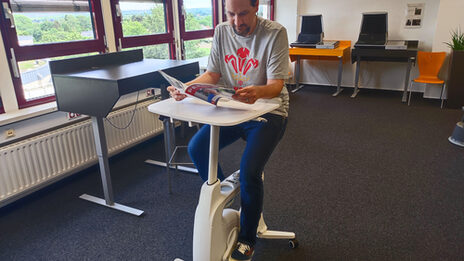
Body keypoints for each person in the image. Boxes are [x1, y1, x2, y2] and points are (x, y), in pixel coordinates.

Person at [168, 0, 289, 259]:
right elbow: (212, 75)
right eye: (231, 14)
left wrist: (257, 92)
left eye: (243, 13)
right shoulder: (222, 31)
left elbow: (276, 86)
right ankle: (226, 197)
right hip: (233, 108)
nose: (237, 22)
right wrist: (185, 87)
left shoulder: (275, 32)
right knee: (197, 148)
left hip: (268, 112)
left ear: (256, 6)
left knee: (250, 173)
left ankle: (247, 238)